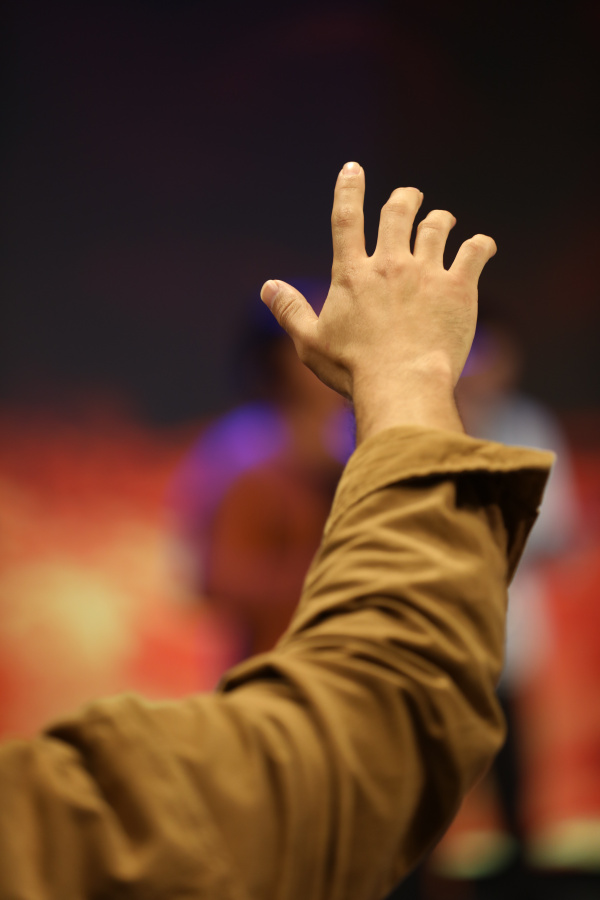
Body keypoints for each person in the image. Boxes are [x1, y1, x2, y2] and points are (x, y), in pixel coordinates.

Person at [0, 163, 552, 899]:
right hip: (283, 679)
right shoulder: (237, 454)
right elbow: (214, 578)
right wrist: (406, 379)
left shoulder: (337, 439)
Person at [168, 282, 354, 663]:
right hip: (270, 659)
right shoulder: (239, 444)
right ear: (279, 357)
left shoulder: (361, 434)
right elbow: (200, 569)